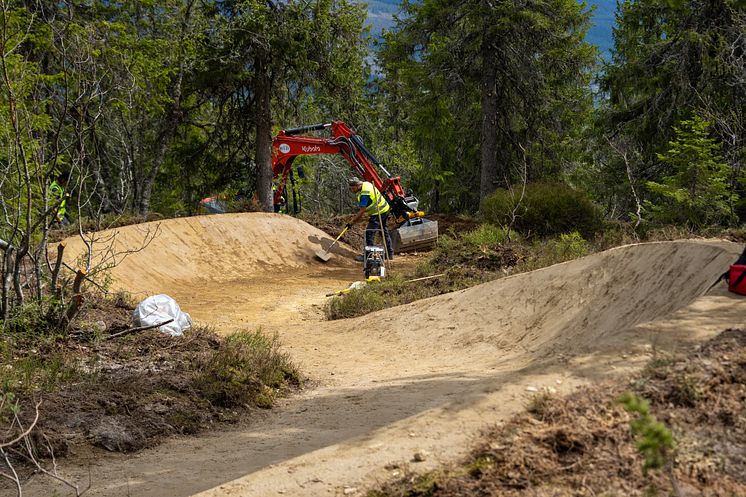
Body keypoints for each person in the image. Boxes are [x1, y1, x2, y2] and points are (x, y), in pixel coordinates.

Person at [346, 177, 394, 260]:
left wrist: (351, 223)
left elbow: (361, 212)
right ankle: (390, 253)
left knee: (369, 233)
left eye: (352, 187)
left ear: (357, 185)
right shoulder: (366, 184)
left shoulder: (364, 194)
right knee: (383, 232)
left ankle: (369, 255)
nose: (352, 189)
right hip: (385, 209)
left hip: (378, 213)